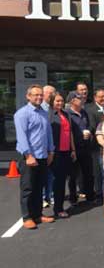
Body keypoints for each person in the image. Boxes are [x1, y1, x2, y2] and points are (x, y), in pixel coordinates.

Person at [14, 84, 55, 229]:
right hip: (29, 157)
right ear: (28, 96)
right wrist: (28, 155)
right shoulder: (22, 114)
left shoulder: (43, 112)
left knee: (39, 187)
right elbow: (22, 136)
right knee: (28, 188)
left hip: (43, 156)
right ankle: (27, 217)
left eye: (40, 95)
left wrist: (51, 151)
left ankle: (38, 214)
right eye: (35, 95)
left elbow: (48, 133)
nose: (38, 97)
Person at [48, 92, 76, 218]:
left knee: (64, 180)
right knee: (57, 181)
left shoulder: (66, 114)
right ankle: (57, 209)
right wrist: (50, 152)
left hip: (67, 151)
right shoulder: (48, 115)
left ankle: (61, 205)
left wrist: (73, 150)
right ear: (51, 102)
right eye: (57, 101)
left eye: (61, 101)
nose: (60, 103)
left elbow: (70, 133)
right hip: (55, 152)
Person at [67, 91, 95, 203]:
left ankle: (90, 196)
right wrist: (80, 134)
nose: (82, 99)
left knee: (88, 173)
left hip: (86, 147)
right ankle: (73, 198)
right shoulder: (67, 113)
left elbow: (90, 125)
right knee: (73, 175)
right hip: (74, 148)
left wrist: (89, 131)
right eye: (79, 98)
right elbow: (68, 131)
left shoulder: (84, 112)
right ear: (72, 101)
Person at [85, 88, 104, 200]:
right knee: (98, 170)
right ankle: (99, 192)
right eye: (100, 96)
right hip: (97, 144)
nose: (103, 98)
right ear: (95, 98)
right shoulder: (90, 109)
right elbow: (93, 126)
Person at [41, 85, 56, 207]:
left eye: (53, 93)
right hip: (41, 147)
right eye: (50, 93)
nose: (51, 95)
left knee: (51, 173)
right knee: (41, 173)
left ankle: (49, 195)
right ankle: (41, 197)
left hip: (52, 146)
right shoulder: (40, 108)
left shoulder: (53, 108)